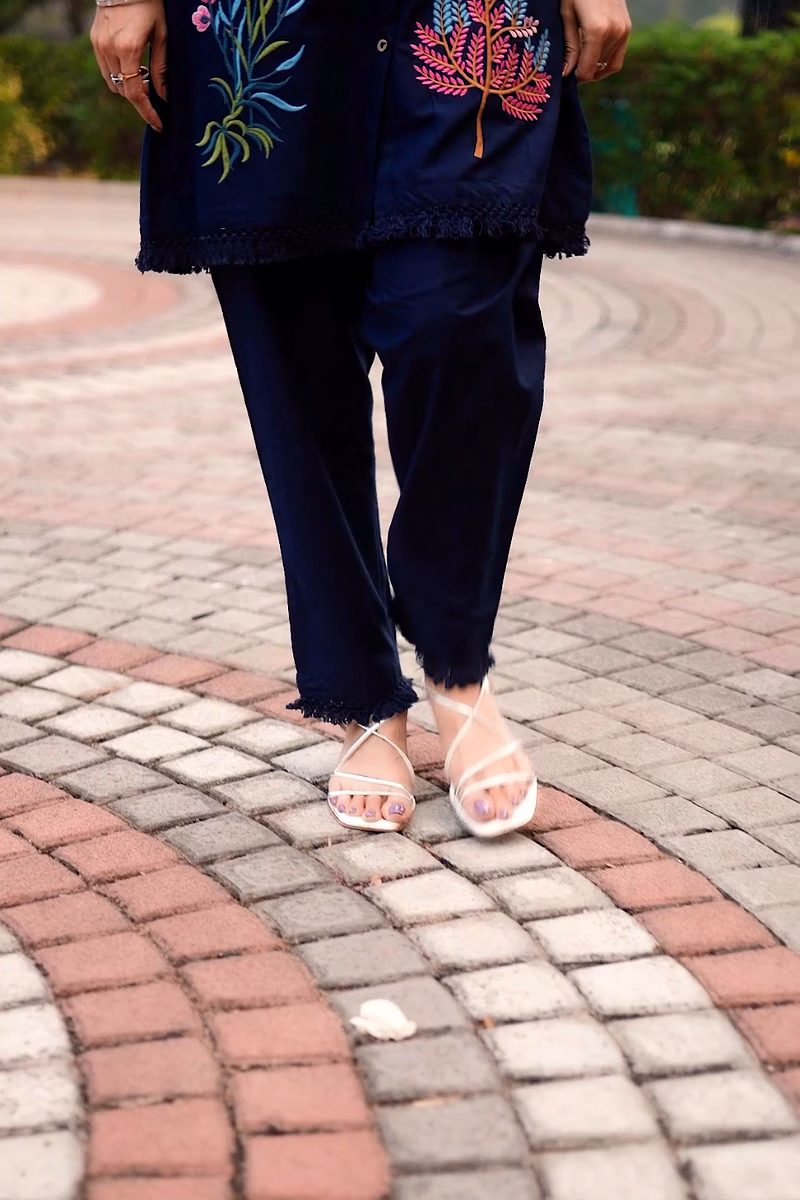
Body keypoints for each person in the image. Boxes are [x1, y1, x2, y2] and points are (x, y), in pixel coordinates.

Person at [91, 0, 631, 839]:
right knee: (297, 374)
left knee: (458, 326)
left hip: (465, 31)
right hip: (272, 33)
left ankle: (456, 664)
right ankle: (362, 696)